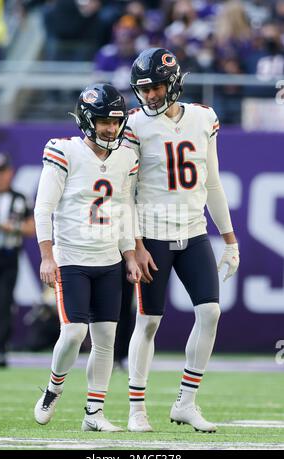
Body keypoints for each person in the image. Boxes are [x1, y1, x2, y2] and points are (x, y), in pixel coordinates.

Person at [123, 48, 240, 433]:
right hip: (153, 234)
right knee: (149, 320)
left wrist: (229, 238)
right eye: (143, 89)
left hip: (192, 232)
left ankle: (186, 402)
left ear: (172, 82)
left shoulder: (204, 118)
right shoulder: (135, 124)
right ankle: (136, 408)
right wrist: (134, 244)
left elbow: (212, 182)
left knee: (210, 312)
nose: (150, 95)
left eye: (155, 86)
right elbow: (126, 190)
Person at [34, 83, 141, 432]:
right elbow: (43, 207)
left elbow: (124, 207)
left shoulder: (126, 156)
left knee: (107, 339)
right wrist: (47, 256)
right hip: (72, 259)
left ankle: (94, 414)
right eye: (103, 122)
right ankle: (53, 389)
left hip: (108, 259)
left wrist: (129, 254)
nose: (111, 129)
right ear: (86, 119)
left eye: (115, 122)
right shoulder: (64, 151)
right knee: (75, 332)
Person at [0, 152, 35, 367]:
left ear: (10, 173)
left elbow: (32, 228)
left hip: (8, 255)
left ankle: (0, 350)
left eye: (2, 172)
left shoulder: (19, 198)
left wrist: (12, 227)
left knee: (4, 302)